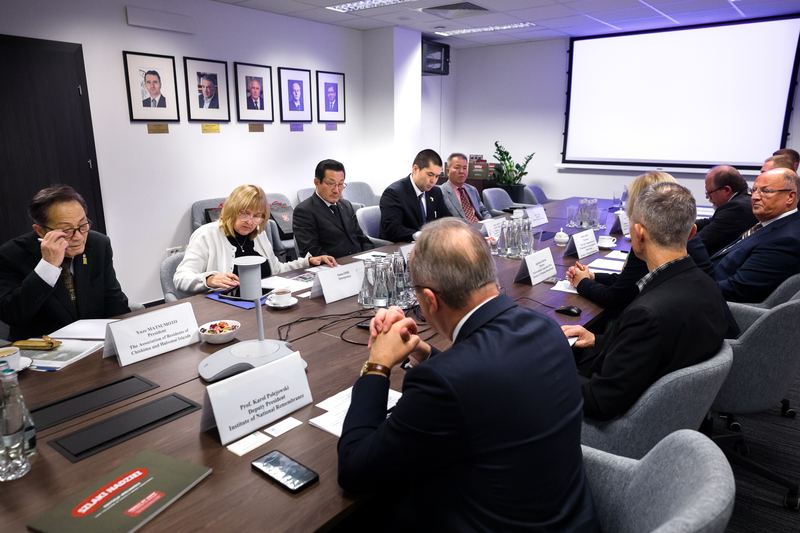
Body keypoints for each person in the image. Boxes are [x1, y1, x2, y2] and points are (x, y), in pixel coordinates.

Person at [338, 218, 599, 532]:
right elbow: (486, 385)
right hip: (570, 518)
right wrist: (424, 352)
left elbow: (354, 470)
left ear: (430, 300)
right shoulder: (545, 327)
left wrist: (377, 365)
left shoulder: (445, 383)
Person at [563, 182, 729, 421]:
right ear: (692, 233)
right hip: (673, 414)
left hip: (620, 428)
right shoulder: (705, 284)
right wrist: (596, 340)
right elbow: (649, 349)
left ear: (638, 234)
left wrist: (553, 363)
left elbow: (599, 402)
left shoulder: (647, 314)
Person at [567, 172, 716, 312]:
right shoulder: (680, 233)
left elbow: (616, 299)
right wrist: (593, 277)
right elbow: (634, 281)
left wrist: (583, 283)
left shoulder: (652, 241)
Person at [0, 185, 130, 341]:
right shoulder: (10, 255)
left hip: (95, 343)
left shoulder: (98, 244)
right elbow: (13, 315)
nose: (79, 237)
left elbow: (114, 300)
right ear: (40, 231)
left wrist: (127, 337)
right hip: (43, 351)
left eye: (83, 225)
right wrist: (48, 266)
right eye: (66, 230)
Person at [174, 184, 335, 294]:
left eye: (257, 216)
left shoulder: (258, 233)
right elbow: (180, 278)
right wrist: (209, 279)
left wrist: (307, 262)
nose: (250, 222)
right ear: (231, 210)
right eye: (245, 214)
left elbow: (276, 270)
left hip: (262, 303)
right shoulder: (206, 235)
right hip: (224, 311)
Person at [712, 168, 800, 303]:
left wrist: (693, 287)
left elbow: (738, 289)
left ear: (790, 197)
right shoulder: (768, 224)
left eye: (766, 191)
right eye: (754, 190)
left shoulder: (786, 240)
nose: (755, 197)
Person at [292, 159, 374, 258]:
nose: (336, 190)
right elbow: (311, 251)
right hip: (334, 266)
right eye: (330, 184)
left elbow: (361, 238)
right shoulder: (304, 211)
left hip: (358, 262)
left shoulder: (346, 205)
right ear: (317, 182)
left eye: (340, 184)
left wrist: (372, 256)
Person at [379, 149, 451, 242]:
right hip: (398, 247)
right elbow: (393, 229)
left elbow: (447, 219)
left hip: (428, 247)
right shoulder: (394, 193)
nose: (433, 181)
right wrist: (421, 236)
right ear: (415, 169)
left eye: (437, 176)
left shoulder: (435, 192)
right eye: (430, 174)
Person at [695, 165, 758, 256]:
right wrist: (681, 226)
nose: (707, 197)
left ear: (727, 190)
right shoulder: (744, 197)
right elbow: (711, 222)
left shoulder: (737, 208)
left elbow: (700, 242)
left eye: (709, 193)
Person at [438, 152, 490, 222]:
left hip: (480, 227)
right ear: (448, 171)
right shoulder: (441, 192)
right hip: (460, 229)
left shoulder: (472, 190)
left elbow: (483, 211)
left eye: (464, 168)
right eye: (457, 168)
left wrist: (490, 223)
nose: (461, 171)